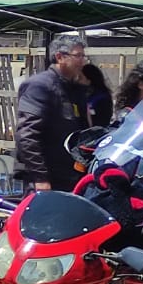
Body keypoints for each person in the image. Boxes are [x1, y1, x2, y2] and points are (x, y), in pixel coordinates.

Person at [15, 34, 92, 192]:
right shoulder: (40, 86)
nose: (82, 61)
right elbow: (27, 135)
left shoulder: (74, 89)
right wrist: (40, 178)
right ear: (59, 57)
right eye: (78, 56)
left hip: (72, 176)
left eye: (83, 56)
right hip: (47, 180)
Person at [82, 62, 114, 128]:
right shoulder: (78, 94)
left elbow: (104, 120)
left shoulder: (102, 97)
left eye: (80, 77)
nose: (77, 79)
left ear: (89, 80)